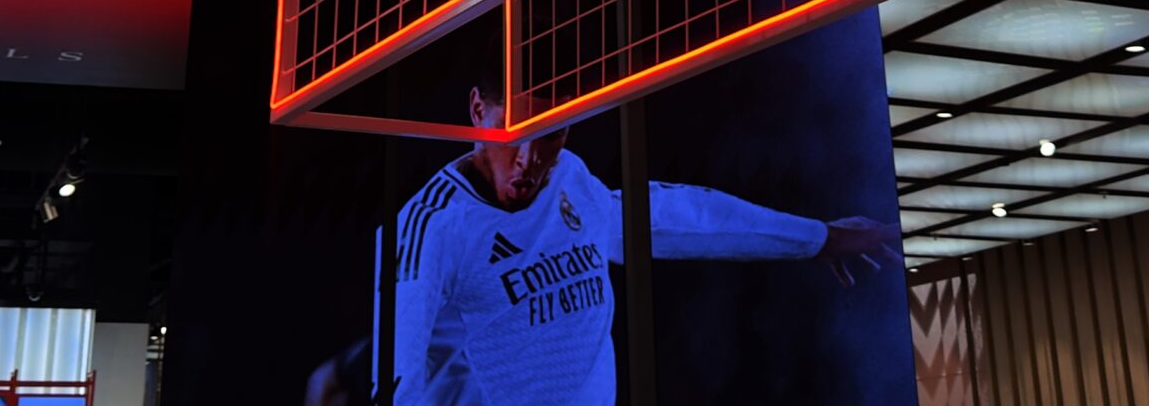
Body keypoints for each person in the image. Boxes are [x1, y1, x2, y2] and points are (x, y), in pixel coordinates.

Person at [374, 78, 901, 404]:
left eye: (552, 131)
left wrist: (817, 238)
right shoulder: (430, 227)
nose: (530, 159)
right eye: (513, 128)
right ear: (477, 109)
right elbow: (398, 385)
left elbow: (678, 217)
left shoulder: (569, 180)